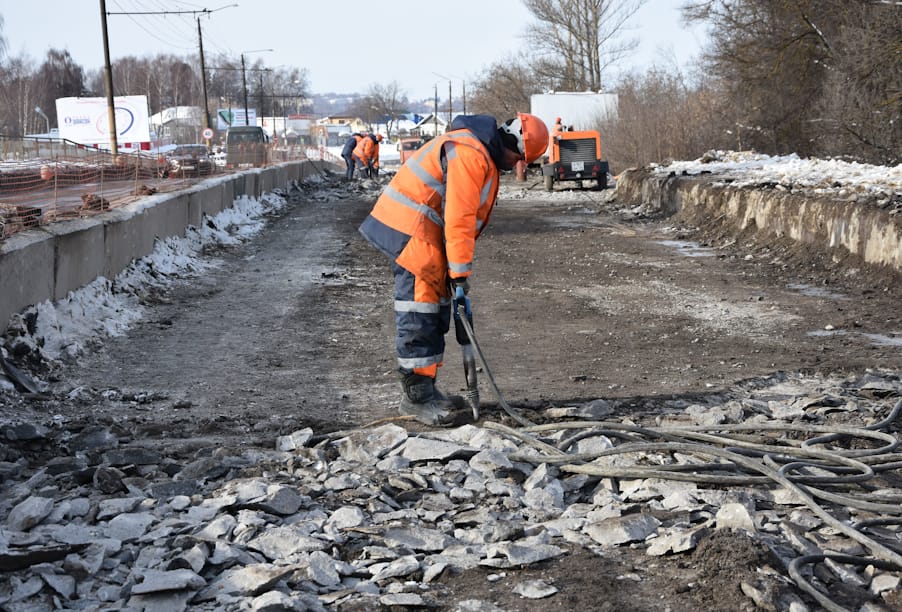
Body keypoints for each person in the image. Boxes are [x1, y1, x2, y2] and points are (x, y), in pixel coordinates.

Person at [358, 112, 549, 425]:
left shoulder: (477, 150)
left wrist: (455, 273)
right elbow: (459, 218)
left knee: (435, 313)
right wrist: (459, 273)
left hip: (424, 235)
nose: (518, 164)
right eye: (519, 157)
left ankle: (426, 390)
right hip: (411, 232)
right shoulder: (471, 154)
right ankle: (416, 396)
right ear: (510, 142)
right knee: (419, 312)